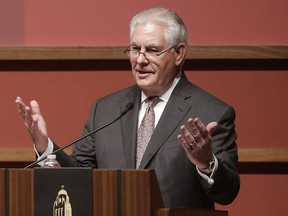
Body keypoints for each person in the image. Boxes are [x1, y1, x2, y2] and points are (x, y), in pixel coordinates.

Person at [16, 7, 240, 209]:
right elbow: (79, 174)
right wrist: (44, 145)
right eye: (135, 49)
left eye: (152, 50)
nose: (140, 60)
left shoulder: (211, 112)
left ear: (179, 53)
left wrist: (206, 162)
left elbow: (228, 192)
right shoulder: (106, 109)